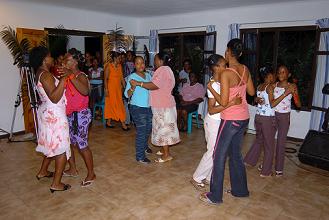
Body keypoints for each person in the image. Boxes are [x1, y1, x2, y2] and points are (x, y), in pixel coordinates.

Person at [200, 38, 255, 205]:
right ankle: (240, 190)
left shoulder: (226, 73)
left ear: (228, 52)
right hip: (244, 118)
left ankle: (215, 196)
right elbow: (251, 91)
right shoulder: (245, 69)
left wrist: (210, 89)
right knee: (236, 155)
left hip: (231, 119)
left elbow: (223, 103)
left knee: (218, 155)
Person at [190, 54, 242, 191]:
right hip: (213, 121)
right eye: (224, 65)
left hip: (221, 121)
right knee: (212, 151)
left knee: (218, 152)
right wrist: (231, 103)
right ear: (216, 68)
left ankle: (207, 177)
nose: (227, 67)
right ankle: (196, 177)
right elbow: (212, 110)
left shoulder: (221, 82)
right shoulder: (212, 84)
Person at [30, 46, 71, 193]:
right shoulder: (45, 75)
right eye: (49, 56)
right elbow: (54, 97)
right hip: (54, 115)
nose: (52, 58)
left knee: (51, 144)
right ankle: (56, 183)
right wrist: (64, 78)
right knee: (61, 149)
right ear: (44, 59)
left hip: (48, 113)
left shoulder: (40, 73)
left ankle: (43, 171)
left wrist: (60, 80)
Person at [130, 52, 180, 162]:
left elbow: (154, 85)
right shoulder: (168, 70)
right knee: (162, 128)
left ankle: (166, 155)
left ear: (161, 60)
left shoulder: (162, 70)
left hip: (163, 106)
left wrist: (140, 83)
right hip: (163, 104)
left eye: (156, 59)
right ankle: (163, 150)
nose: (154, 61)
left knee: (164, 130)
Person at [61, 49, 96, 187]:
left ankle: (91, 173)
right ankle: (73, 168)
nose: (65, 61)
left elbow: (85, 91)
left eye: (67, 59)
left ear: (75, 62)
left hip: (81, 115)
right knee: (69, 143)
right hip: (70, 115)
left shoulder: (81, 76)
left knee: (82, 146)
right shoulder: (67, 75)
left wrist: (71, 76)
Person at [268, 65, 301, 177]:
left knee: (281, 143)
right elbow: (272, 103)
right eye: (279, 72)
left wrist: (294, 93)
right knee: (269, 141)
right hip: (273, 115)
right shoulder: (273, 86)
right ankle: (267, 165)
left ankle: (279, 168)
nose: (281, 74)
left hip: (284, 117)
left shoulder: (292, 86)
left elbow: (298, 104)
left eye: (283, 72)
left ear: (289, 75)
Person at [244, 65, 276, 177]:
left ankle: (249, 160)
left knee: (259, 140)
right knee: (269, 145)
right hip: (267, 119)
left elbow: (256, 99)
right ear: (269, 75)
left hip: (258, 117)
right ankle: (266, 171)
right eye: (273, 75)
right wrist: (284, 95)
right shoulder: (270, 87)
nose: (275, 77)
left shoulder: (259, 86)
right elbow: (272, 103)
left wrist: (257, 100)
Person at [125, 56, 153, 164]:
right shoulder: (132, 77)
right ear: (134, 65)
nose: (140, 65)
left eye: (142, 63)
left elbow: (152, 87)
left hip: (148, 107)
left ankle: (144, 146)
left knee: (148, 129)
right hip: (137, 107)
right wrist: (132, 87)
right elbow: (127, 94)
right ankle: (140, 156)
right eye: (137, 63)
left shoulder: (148, 76)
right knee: (142, 131)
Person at [104, 51, 129, 130]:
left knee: (115, 105)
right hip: (110, 89)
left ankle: (108, 122)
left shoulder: (119, 66)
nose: (120, 59)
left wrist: (125, 88)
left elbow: (122, 78)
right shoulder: (108, 66)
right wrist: (106, 90)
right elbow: (105, 79)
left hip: (118, 90)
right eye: (119, 58)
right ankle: (123, 124)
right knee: (115, 105)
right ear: (114, 58)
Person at [123, 50, 135, 126]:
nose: (128, 57)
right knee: (126, 103)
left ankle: (133, 119)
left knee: (133, 103)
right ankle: (127, 120)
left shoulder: (135, 65)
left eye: (130, 55)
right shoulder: (124, 65)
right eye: (127, 55)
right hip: (127, 85)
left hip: (134, 85)